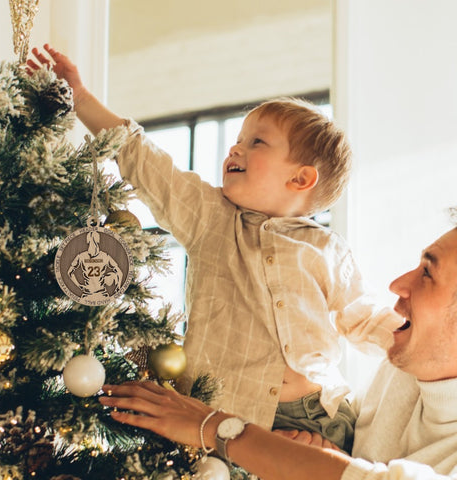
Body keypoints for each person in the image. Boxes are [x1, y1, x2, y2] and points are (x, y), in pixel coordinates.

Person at [28, 45, 403, 453]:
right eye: (238, 139)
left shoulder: (326, 248)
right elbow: (145, 160)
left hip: (314, 416)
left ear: (300, 179)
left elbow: (363, 318)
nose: (234, 148)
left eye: (257, 142)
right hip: (222, 412)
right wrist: (80, 97)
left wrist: (419, 340)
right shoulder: (211, 218)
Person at [99, 225, 457, 479]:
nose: (398, 285)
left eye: (427, 273)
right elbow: (357, 463)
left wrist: (212, 426)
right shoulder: (405, 367)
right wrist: (327, 455)